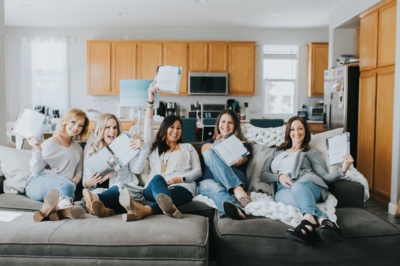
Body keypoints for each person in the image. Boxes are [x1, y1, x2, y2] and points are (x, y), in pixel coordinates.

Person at [260, 116, 354, 247]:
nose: (296, 132)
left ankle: (306, 225)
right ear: (288, 132)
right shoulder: (277, 151)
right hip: (283, 189)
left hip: (308, 183)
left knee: (298, 187)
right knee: (287, 198)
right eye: (293, 129)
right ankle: (324, 221)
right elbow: (264, 174)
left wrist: (342, 170)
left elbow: (324, 176)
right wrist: (279, 177)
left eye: (300, 128)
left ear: (305, 131)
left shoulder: (310, 151)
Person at [115, 82, 202, 221]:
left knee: (181, 193)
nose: (175, 131)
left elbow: (198, 172)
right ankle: (165, 205)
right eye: (172, 127)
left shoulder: (188, 148)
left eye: (179, 128)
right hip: (154, 188)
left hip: (182, 186)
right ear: (164, 128)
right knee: (157, 178)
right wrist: (150, 101)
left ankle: (145, 210)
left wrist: (179, 179)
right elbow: (148, 127)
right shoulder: (153, 147)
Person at [82, 113, 150, 219]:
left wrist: (143, 148)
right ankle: (104, 207)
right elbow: (86, 183)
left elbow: (136, 170)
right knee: (96, 194)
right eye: (107, 127)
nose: (112, 131)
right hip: (102, 191)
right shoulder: (91, 154)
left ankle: (98, 202)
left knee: (117, 188)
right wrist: (88, 183)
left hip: (124, 191)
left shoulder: (126, 147)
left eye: (115, 127)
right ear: (101, 130)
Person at [26, 108, 89, 222]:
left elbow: (79, 172)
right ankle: (65, 206)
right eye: (73, 122)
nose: (76, 128)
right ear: (66, 121)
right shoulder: (52, 142)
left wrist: (73, 183)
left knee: (68, 188)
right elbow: (36, 171)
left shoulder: (78, 148)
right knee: (68, 187)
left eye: (80, 125)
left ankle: (53, 209)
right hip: (37, 184)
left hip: (64, 189)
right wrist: (37, 150)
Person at [198, 109, 252, 220]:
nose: (226, 125)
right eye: (223, 121)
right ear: (218, 124)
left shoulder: (244, 145)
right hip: (210, 181)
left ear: (235, 125)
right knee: (216, 189)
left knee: (212, 153)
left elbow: (238, 163)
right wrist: (219, 144)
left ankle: (237, 187)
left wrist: (236, 161)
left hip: (237, 178)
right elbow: (206, 152)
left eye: (230, 122)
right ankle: (236, 208)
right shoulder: (208, 143)